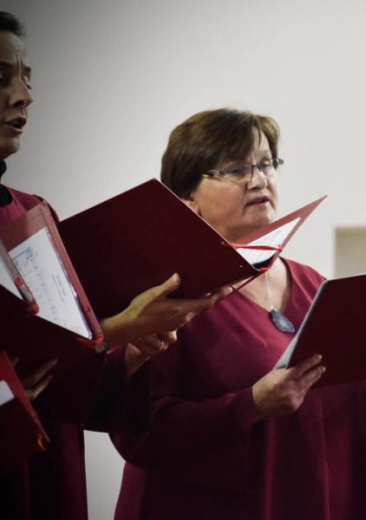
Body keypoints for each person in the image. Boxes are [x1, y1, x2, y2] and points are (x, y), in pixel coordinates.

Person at [111, 108, 366, 519]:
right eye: (235, 168)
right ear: (187, 199)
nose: (259, 179)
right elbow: (143, 433)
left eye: (266, 164)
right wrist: (251, 405)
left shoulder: (316, 286)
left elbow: (351, 410)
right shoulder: (169, 298)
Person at [0, 12, 229, 519]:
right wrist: (122, 326)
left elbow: (66, 384)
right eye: (3, 77)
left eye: (27, 78)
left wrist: (131, 350)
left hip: (45, 466)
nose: (23, 96)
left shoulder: (31, 213)